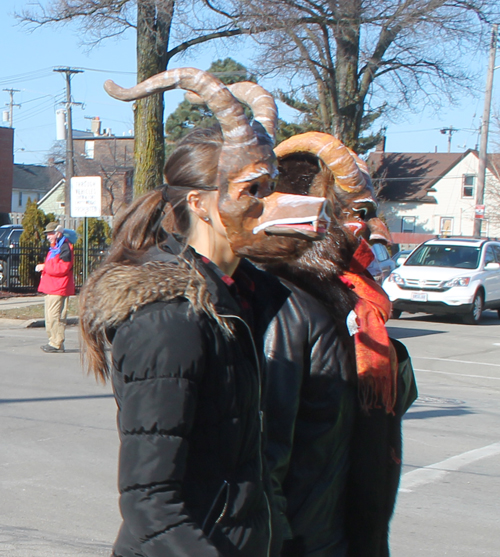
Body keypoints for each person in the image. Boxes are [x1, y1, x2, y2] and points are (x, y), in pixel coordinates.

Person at [79, 68, 329, 557]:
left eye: (269, 186)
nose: (269, 204)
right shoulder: (168, 318)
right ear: (200, 203)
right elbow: (151, 507)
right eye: (251, 190)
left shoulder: (244, 299)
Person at [36, 221, 75, 353]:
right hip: (52, 286)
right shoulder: (56, 247)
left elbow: (63, 268)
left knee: (55, 317)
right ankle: (54, 342)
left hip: (58, 287)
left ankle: (56, 343)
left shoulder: (64, 247)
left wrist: (44, 267)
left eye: (50, 234)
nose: (48, 237)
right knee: (50, 317)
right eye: (47, 234)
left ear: (58, 233)